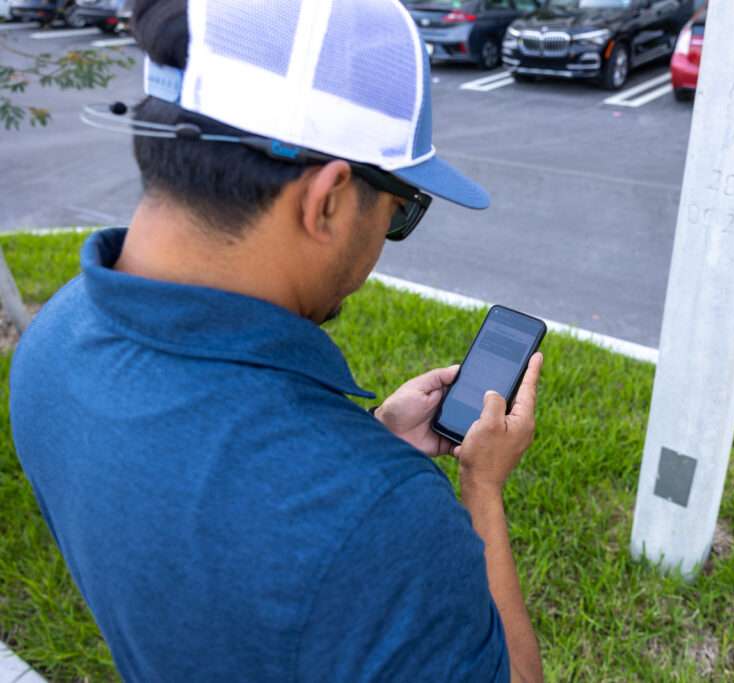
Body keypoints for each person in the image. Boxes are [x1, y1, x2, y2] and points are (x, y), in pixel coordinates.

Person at [8, 1, 544, 681]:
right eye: (400, 210)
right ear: (325, 202)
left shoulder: (50, 345)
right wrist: (482, 482)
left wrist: (365, 440)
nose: (387, 237)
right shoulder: (387, 530)